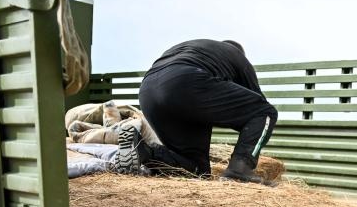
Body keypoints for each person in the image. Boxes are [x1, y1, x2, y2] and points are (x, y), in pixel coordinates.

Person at [118, 39, 278, 183]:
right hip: (187, 81)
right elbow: (257, 109)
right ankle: (240, 169)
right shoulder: (238, 56)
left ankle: (144, 150)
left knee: (197, 170)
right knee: (265, 113)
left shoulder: (198, 49)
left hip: (148, 91)